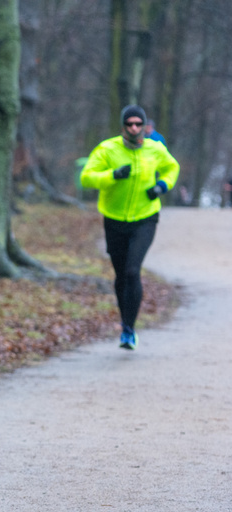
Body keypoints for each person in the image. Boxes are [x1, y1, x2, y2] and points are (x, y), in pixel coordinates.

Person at [80, 104, 180, 350]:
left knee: (133, 271)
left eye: (138, 124)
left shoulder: (155, 149)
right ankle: (126, 322)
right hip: (114, 220)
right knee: (121, 275)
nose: (134, 128)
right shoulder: (107, 148)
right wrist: (112, 175)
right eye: (129, 124)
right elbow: (86, 177)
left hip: (145, 218)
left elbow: (172, 168)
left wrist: (162, 187)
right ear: (123, 126)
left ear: (144, 126)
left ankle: (128, 329)